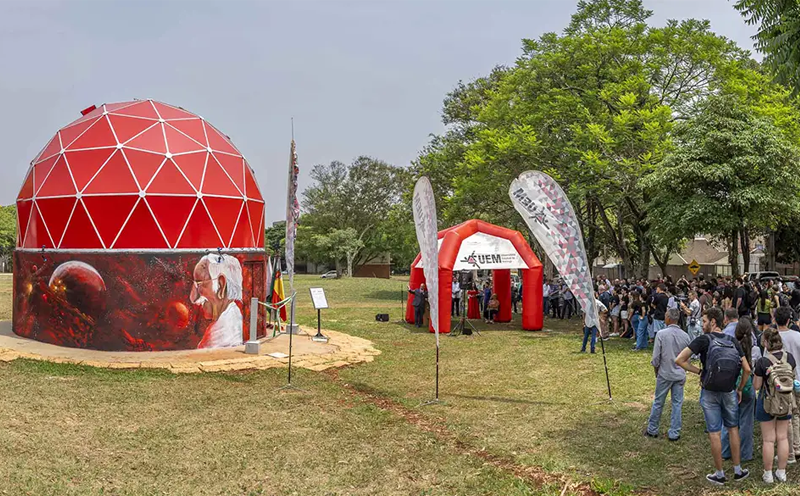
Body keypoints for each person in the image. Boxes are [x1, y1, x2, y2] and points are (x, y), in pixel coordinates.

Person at [675, 307, 751, 485]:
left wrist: (700, 371)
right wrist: (739, 388)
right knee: (733, 428)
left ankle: (719, 473)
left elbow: (679, 360)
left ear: (713, 322)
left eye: (704, 321)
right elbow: (747, 369)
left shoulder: (703, 340)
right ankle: (738, 470)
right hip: (729, 390)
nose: (702, 325)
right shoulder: (733, 341)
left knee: (715, 432)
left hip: (709, 390)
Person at [753, 327, 796, 483]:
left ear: (765, 343)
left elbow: (757, 386)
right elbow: (793, 378)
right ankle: (782, 471)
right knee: (783, 437)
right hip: (785, 400)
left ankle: (768, 473)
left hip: (767, 402)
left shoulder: (762, 362)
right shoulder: (790, 358)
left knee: (768, 440)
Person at [645, 308, 690, 440]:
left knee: (659, 401)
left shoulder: (661, 334)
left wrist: (656, 371)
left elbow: (656, 358)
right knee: (677, 403)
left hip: (665, 373)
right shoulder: (685, 336)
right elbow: (688, 357)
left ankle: (652, 429)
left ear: (669, 318)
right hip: (679, 374)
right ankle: (674, 432)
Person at [722, 317, 759, 463]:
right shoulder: (755, 350)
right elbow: (754, 370)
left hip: (731, 386)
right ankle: (745, 453)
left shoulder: (730, 346)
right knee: (746, 421)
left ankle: (725, 451)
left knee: (729, 420)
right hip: (747, 387)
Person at [191, 254, 244, 349]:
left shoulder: (219, 335)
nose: (194, 299)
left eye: (199, 284)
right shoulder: (232, 314)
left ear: (221, 284)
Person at [776, 306, 800, 463]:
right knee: (797, 414)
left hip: (781, 383)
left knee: (786, 417)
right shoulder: (797, 336)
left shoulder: (772, 337)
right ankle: (797, 447)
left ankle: (789, 450)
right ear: (789, 320)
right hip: (798, 379)